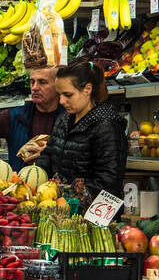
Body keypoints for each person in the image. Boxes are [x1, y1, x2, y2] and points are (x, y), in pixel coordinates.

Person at [19, 61, 128, 198]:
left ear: (87, 89)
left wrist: (67, 192)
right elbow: (48, 155)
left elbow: (108, 183)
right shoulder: (63, 119)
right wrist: (34, 177)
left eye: (68, 95)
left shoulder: (107, 127)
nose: (61, 101)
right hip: (59, 207)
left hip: (91, 213)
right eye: (60, 95)